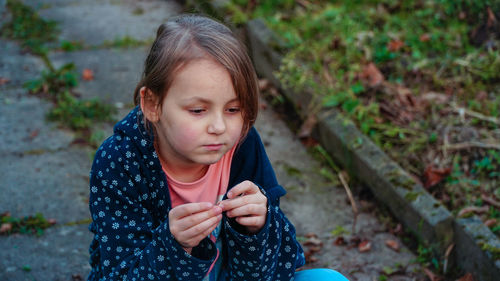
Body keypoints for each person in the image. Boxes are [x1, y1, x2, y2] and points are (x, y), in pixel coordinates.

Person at [87, 14, 348, 281]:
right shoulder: (121, 161)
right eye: (198, 110)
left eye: (233, 109)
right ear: (153, 105)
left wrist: (259, 228)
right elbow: (119, 274)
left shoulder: (240, 145)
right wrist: (173, 245)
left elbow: (271, 272)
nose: (219, 127)